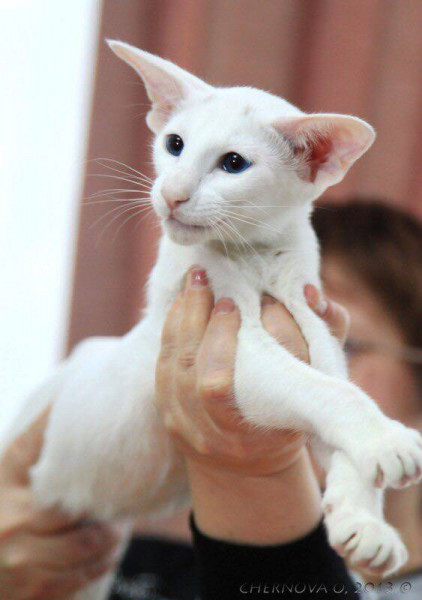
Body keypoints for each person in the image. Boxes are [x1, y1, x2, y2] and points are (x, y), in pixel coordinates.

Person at [1, 198, 421, 599]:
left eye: (342, 343)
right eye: (245, 321)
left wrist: (257, 469)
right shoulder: (129, 560)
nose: (277, 355)